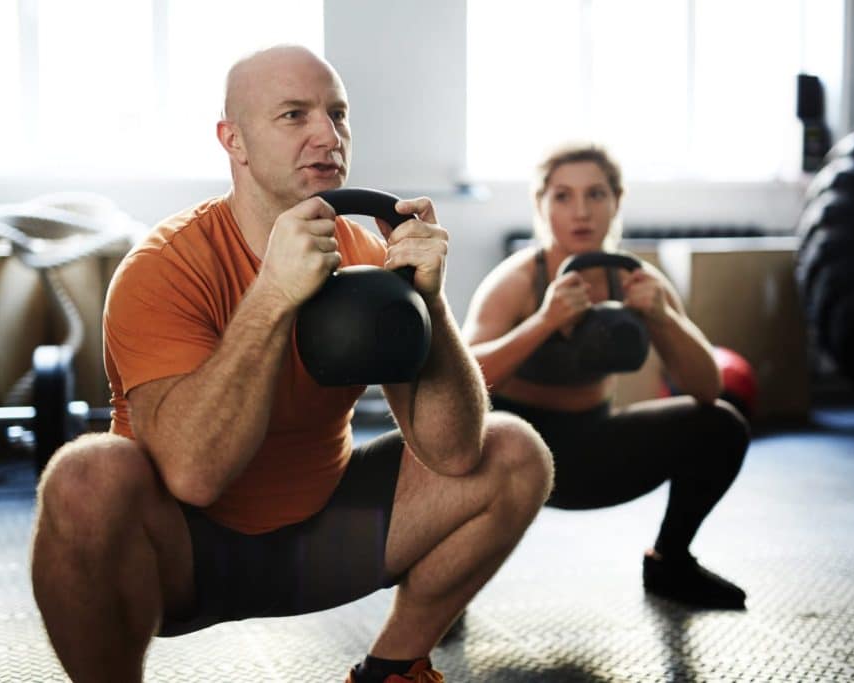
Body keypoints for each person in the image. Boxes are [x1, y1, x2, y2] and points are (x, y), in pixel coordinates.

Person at [29, 45, 554, 683]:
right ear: (234, 141)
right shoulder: (164, 266)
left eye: (338, 115)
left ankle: (393, 668)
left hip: (326, 542)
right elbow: (194, 477)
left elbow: (453, 454)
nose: (326, 136)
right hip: (184, 558)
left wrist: (430, 305)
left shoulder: (367, 254)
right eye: (293, 115)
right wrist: (274, 294)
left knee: (514, 452)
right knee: (86, 475)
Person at [462, 141, 750, 609]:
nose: (581, 211)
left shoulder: (637, 279)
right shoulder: (516, 281)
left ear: (617, 201)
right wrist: (544, 322)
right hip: (506, 456)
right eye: (563, 196)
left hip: (589, 451)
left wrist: (664, 318)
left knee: (721, 424)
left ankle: (670, 563)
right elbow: (461, 382)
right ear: (541, 205)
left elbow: (706, 387)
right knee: (443, 437)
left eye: (596, 194)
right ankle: (443, 587)